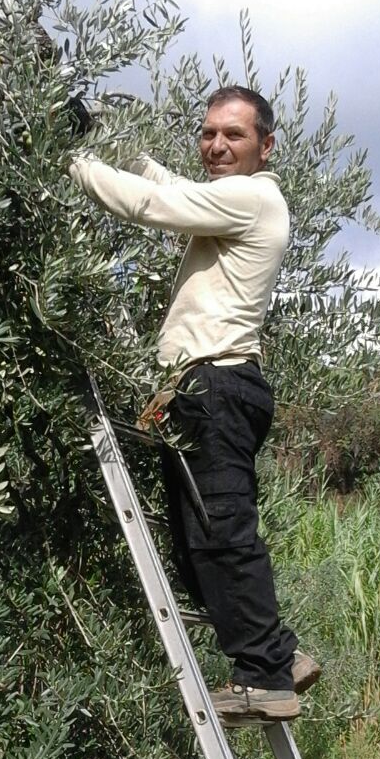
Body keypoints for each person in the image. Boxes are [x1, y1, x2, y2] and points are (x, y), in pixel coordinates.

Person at [68, 86, 320, 723]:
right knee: (193, 548)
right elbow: (172, 184)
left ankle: (263, 678)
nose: (216, 145)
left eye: (233, 135)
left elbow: (156, 203)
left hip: (217, 386)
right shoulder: (237, 199)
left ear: (266, 145)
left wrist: (69, 158)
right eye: (208, 133)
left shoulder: (255, 195)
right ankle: (280, 655)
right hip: (202, 390)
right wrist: (120, 145)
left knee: (224, 532)